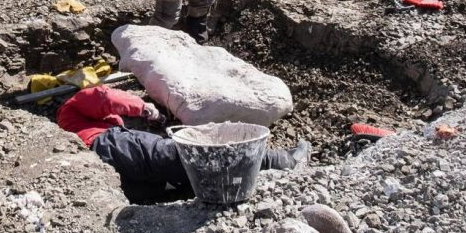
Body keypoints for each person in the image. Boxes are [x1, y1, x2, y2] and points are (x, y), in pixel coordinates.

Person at [57, 85, 311, 204]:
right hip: (107, 147)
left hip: (109, 177)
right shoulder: (70, 112)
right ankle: (280, 161)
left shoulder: (68, 144)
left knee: (174, 180)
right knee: (183, 154)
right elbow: (102, 96)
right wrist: (144, 108)